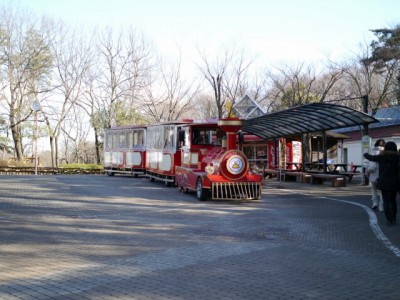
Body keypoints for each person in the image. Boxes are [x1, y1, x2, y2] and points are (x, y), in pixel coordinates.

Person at [364, 141, 400, 226]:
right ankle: (394, 219)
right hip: (395, 182)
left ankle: (389, 220)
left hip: (384, 182)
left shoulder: (382, 156)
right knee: (393, 201)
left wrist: (365, 154)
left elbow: (371, 157)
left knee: (386, 202)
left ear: (386, 148)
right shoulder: (398, 157)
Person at [366, 139, 385, 211]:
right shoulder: (385, 152)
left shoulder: (373, 151)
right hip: (382, 173)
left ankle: (374, 203)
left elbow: (369, 162)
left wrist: (367, 172)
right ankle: (381, 206)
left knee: (373, 189)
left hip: (373, 172)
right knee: (382, 191)